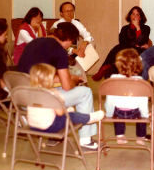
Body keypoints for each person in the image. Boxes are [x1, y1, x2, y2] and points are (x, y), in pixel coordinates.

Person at [17, 22, 98, 150]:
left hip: (21, 97)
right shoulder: (59, 50)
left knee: (55, 90)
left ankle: (54, 137)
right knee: (85, 92)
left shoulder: (34, 42)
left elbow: (38, 75)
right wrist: (75, 80)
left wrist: (66, 77)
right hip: (39, 100)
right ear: (68, 40)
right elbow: (67, 86)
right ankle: (86, 140)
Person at [28, 63, 104, 133]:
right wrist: (67, 111)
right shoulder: (53, 93)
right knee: (71, 116)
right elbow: (60, 112)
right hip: (49, 127)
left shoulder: (30, 93)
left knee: (57, 113)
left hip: (33, 127)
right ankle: (89, 118)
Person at [92, 6, 151, 81]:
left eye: (137, 14)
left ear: (140, 17)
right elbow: (122, 42)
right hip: (125, 49)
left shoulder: (146, 28)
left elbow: (142, 42)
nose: (135, 16)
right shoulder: (124, 28)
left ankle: (103, 69)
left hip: (138, 52)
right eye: (133, 14)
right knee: (119, 47)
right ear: (130, 16)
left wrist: (138, 28)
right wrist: (137, 44)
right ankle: (108, 70)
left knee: (117, 48)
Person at [105, 49, 149, 145]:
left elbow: (110, 100)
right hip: (134, 112)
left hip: (118, 112)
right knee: (142, 113)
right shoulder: (140, 81)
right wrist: (145, 116)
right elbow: (143, 103)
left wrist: (109, 114)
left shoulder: (113, 79)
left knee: (116, 111)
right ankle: (141, 137)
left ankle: (120, 135)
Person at [51, 2, 95, 85]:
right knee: (79, 62)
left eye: (71, 11)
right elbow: (57, 45)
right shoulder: (57, 25)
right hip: (64, 53)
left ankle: (81, 82)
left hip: (77, 53)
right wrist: (73, 50)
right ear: (61, 13)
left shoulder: (76, 23)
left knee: (92, 44)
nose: (69, 13)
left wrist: (84, 44)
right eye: (67, 11)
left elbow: (89, 36)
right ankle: (83, 83)